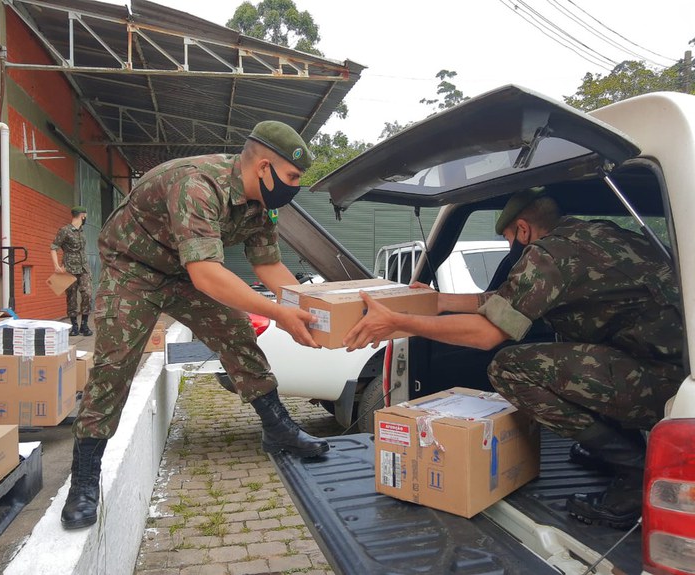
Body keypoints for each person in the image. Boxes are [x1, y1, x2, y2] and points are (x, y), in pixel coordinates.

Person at [344, 189, 684, 529]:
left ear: (523, 229)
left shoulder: (548, 255)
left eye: (509, 240)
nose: (512, 250)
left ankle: (633, 469)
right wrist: (438, 301)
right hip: (674, 374)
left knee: (510, 368)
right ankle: (616, 449)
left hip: (669, 392)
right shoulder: (591, 235)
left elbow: (487, 334)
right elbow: (503, 300)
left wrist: (398, 323)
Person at [61, 121, 329, 530]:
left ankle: (278, 428)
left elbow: (269, 265)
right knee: (115, 362)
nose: (295, 185)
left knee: (237, 333)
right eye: (292, 177)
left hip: (184, 271)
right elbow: (207, 274)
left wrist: (313, 310)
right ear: (263, 168)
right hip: (134, 267)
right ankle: (83, 476)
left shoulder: (262, 204)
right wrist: (280, 314)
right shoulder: (198, 185)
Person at [51, 206, 94, 336]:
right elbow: (53, 247)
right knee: (72, 297)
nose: (85, 218)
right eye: (85, 215)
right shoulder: (64, 230)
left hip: (84, 267)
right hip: (69, 268)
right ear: (82, 216)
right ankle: (74, 326)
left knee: (87, 293)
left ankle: (84, 325)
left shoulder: (81, 231)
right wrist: (56, 266)